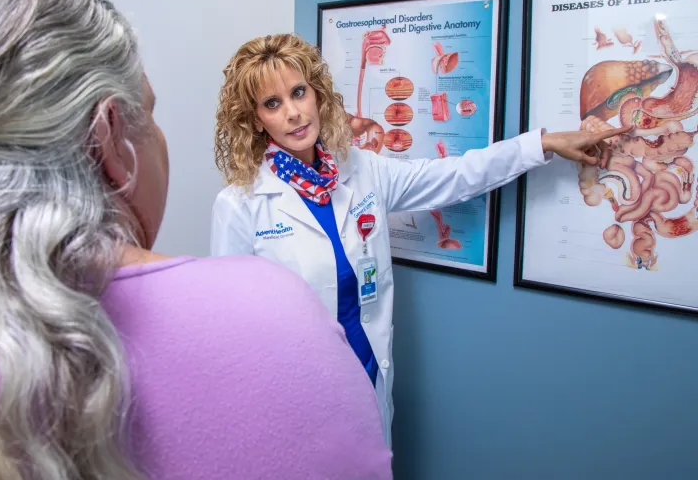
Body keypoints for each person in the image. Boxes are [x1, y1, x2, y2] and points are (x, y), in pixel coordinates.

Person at [0, 0, 394, 479]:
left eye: (299, 93)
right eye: (149, 111)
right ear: (109, 138)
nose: (294, 112)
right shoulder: (271, 305)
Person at [210, 33, 627, 444]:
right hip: (295, 401)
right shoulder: (241, 206)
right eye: (272, 103)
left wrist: (543, 143)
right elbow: (235, 336)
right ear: (255, 119)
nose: (293, 113)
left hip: (367, 374)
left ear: (317, 93)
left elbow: (455, 176)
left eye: (299, 92)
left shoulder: (363, 170)